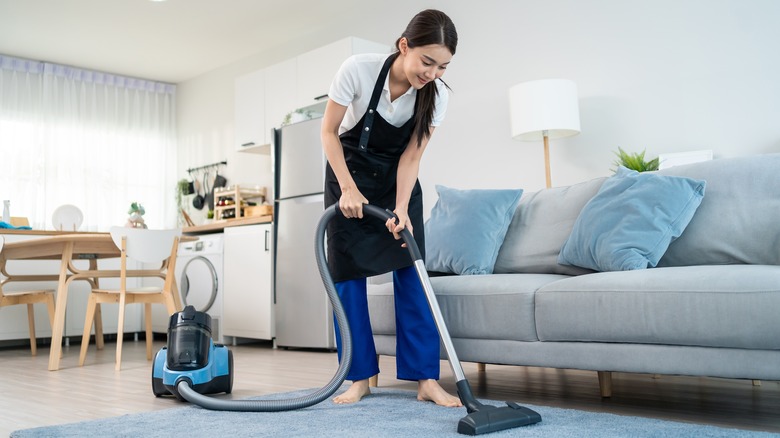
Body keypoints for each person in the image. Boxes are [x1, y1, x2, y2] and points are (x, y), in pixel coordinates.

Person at [320, 9, 461, 407]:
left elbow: (412, 157)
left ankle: (426, 380)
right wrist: (347, 188)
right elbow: (328, 132)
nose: (432, 73)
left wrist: (401, 208)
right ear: (404, 46)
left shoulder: (438, 96)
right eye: (427, 61)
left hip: (397, 183)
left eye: (443, 66)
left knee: (412, 272)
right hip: (348, 175)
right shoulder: (358, 71)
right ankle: (359, 376)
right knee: (346, 275)